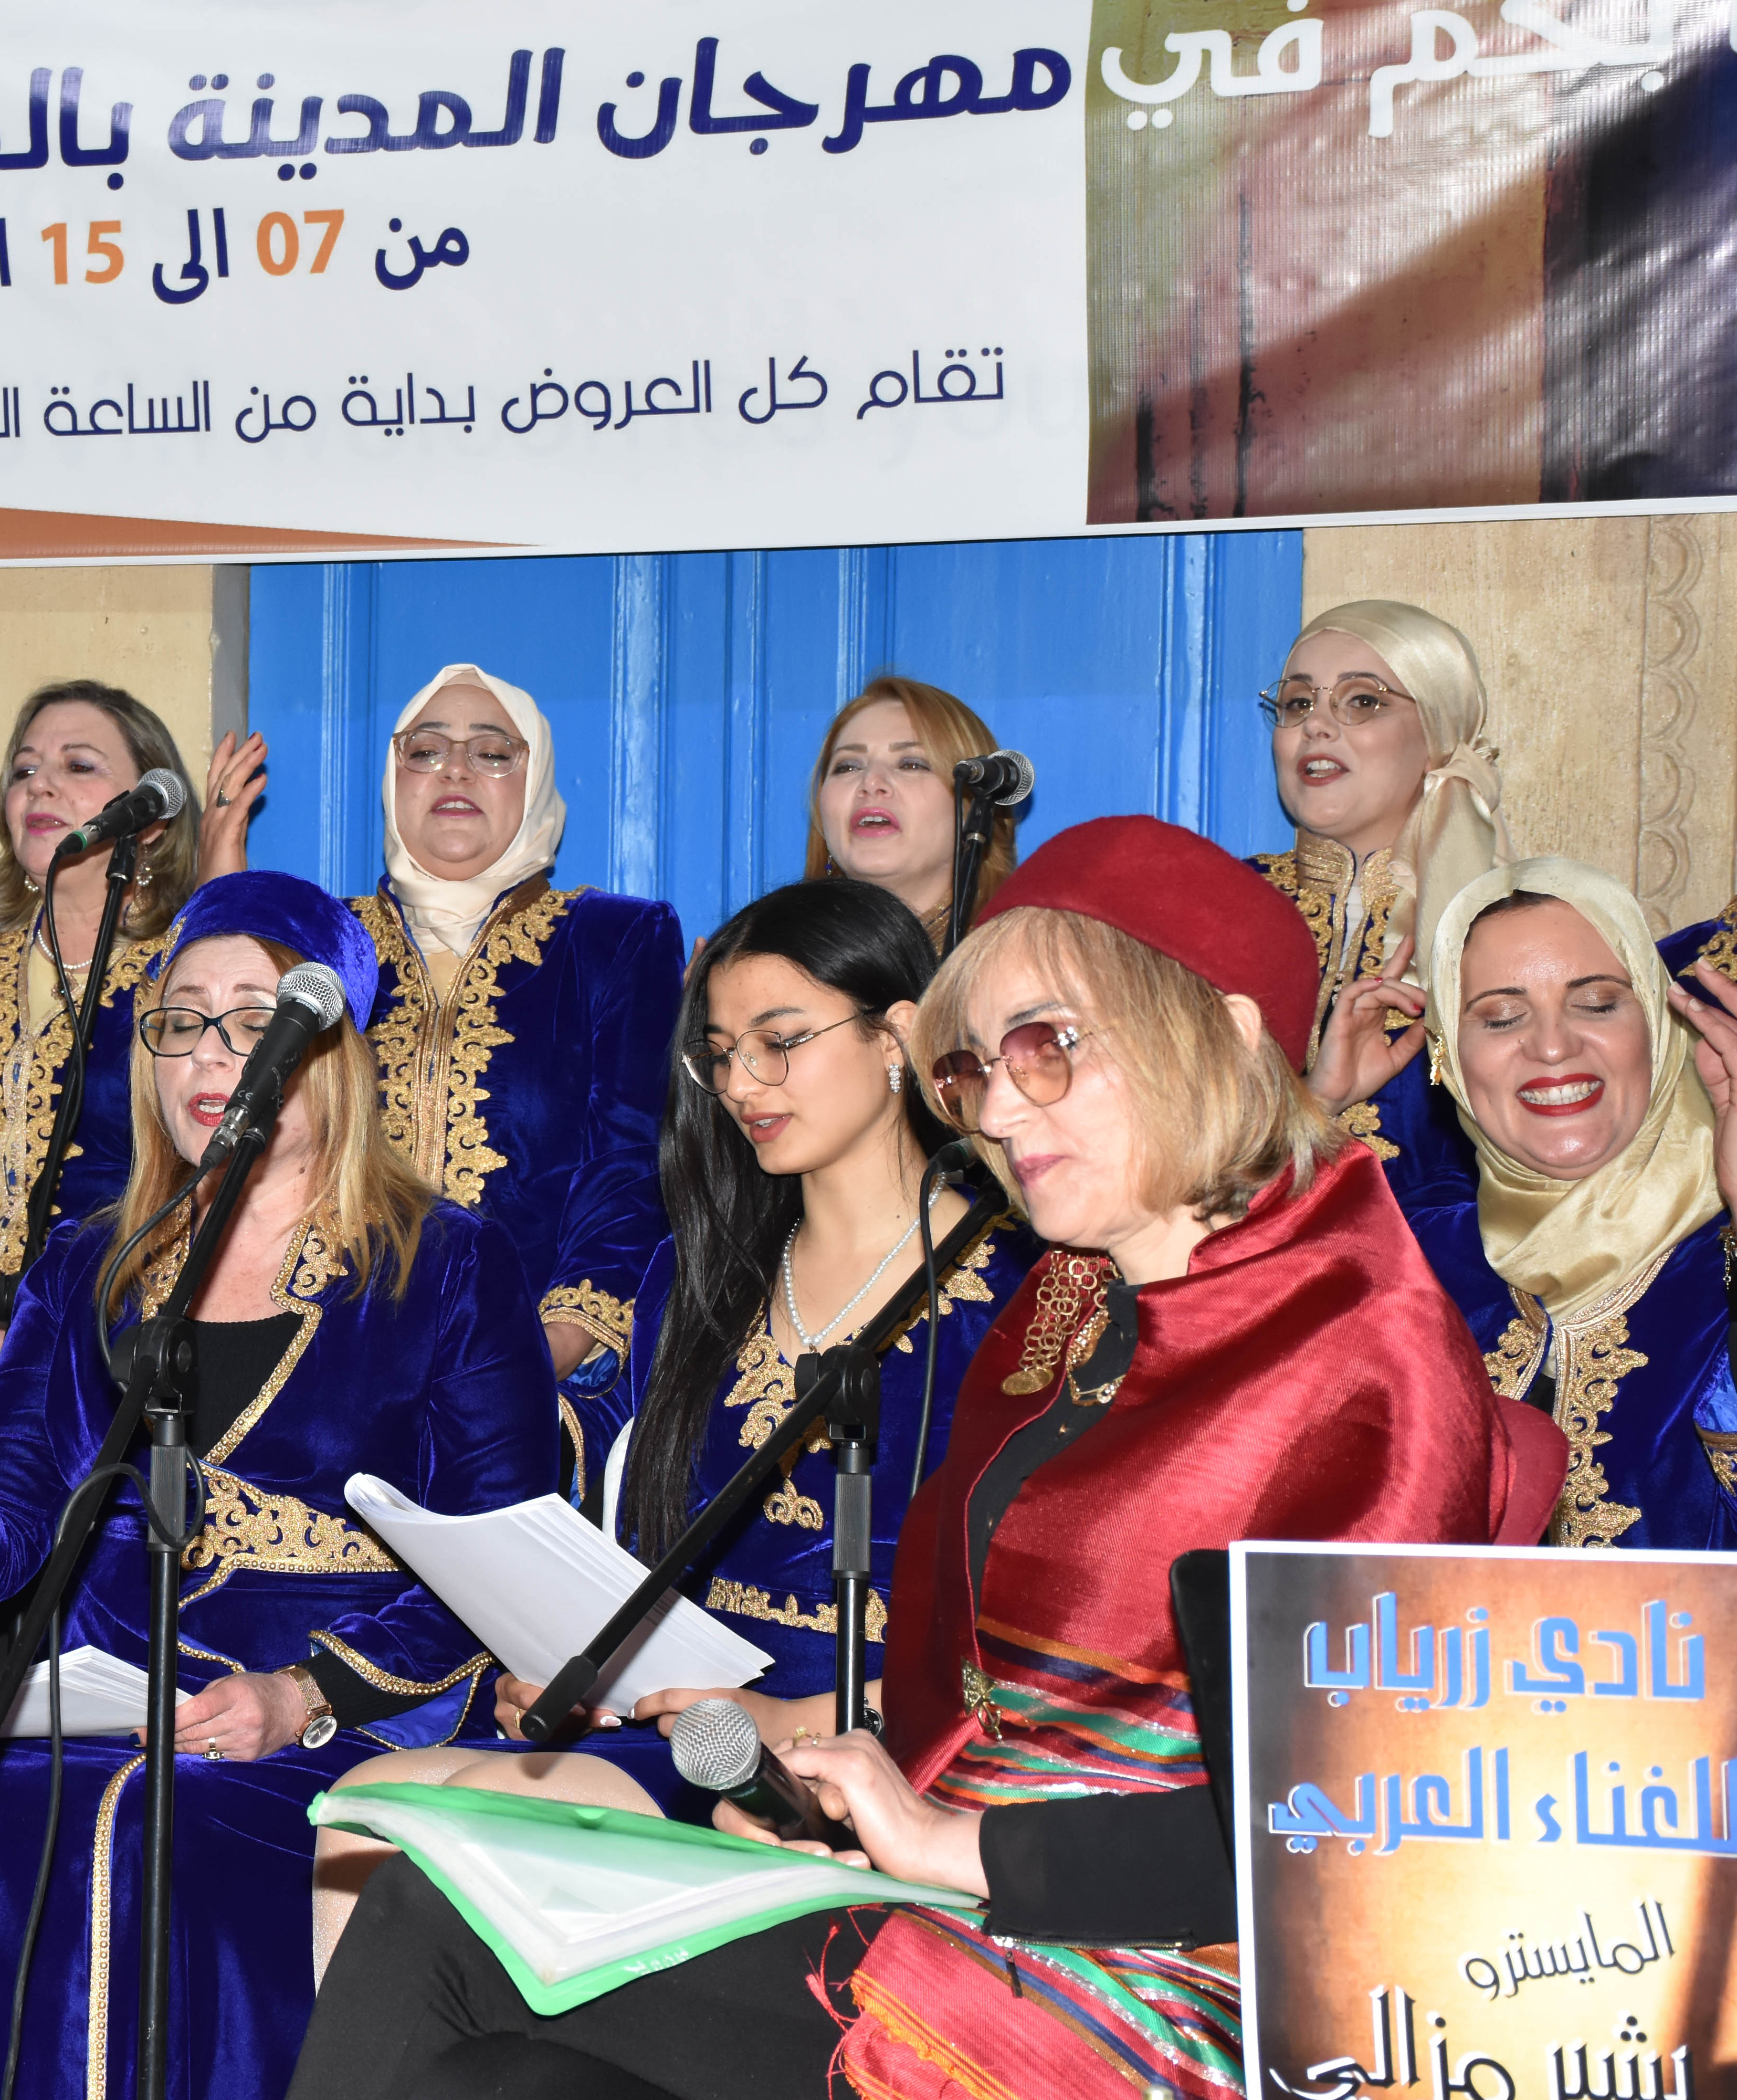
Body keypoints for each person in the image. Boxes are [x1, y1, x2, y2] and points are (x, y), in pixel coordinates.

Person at [291, 816, 1511, 2100]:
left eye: (1048, 1046)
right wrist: (835, 1794)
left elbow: (1338, 1830)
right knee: (496, 2047)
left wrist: (945, 1842)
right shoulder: (1073, 1305)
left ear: (1224, 1029)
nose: (1002, 1108)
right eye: (976, 1068)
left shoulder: (1362, 1352)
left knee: (435, 1923)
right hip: (961, 1900)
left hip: (1152, 1985)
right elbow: (975, 1693)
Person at [0, 870, 562, 2100]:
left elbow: (501, 1563)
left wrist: (300, 1693)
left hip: (347, 1731)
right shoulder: (93, 1266)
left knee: (155, 1829)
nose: (211, 1053)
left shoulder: (446, 1264)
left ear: (332, 1052)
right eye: (180, 1019)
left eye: (253, 1017)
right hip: (115, 1706)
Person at [310, 881, 1038, 1963]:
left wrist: (789, 1720)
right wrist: (581, 1674)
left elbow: (1036, 1633)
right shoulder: (693, 1276)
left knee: (436, 1835)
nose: (742, 1083)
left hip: (890, 1742)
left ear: (897, 1035)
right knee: (363, 1810)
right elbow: (649, 1555)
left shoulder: (1019, 1287)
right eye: (721, 1053)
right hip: (692, 1724)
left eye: (781, 1043)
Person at [345, 665, 681, 1493]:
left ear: (534, 784)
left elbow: (632, 1169)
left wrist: (537, 1352)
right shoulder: (327, 946)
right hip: (334, 1375)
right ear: (393, 780)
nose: (456, 771)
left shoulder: (611, 942)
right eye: (426, 751)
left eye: (493, 753)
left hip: (545, 1382)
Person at [0, 681, 256, 1296]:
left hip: (116, 1310)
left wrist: (224, 901)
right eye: (24, 770)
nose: (39, 786)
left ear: (151, 821)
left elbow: (238, 1142)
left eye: (79, 766)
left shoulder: (187, 959)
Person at [1393, 862, 1737, 1548]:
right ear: (1448, 1056)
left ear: (1659, 1024)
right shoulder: (1409, 1263)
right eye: (1502, 1017)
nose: (1553, 1046)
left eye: (1598, 1003)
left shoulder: (1718, 1263)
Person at [1255, 601, 1510, 1193]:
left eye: (1363, 701)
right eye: (1298, 703)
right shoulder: (1210, 908)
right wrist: (1317, 1101)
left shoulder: (1516, 924)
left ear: (1438, 734)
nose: (1317, 726)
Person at [801, 675, 1017, 947]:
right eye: (848, 767)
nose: (871, 782)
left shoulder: (1021, 957)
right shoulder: (773, 958)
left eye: (912, 765)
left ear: (975, 806)